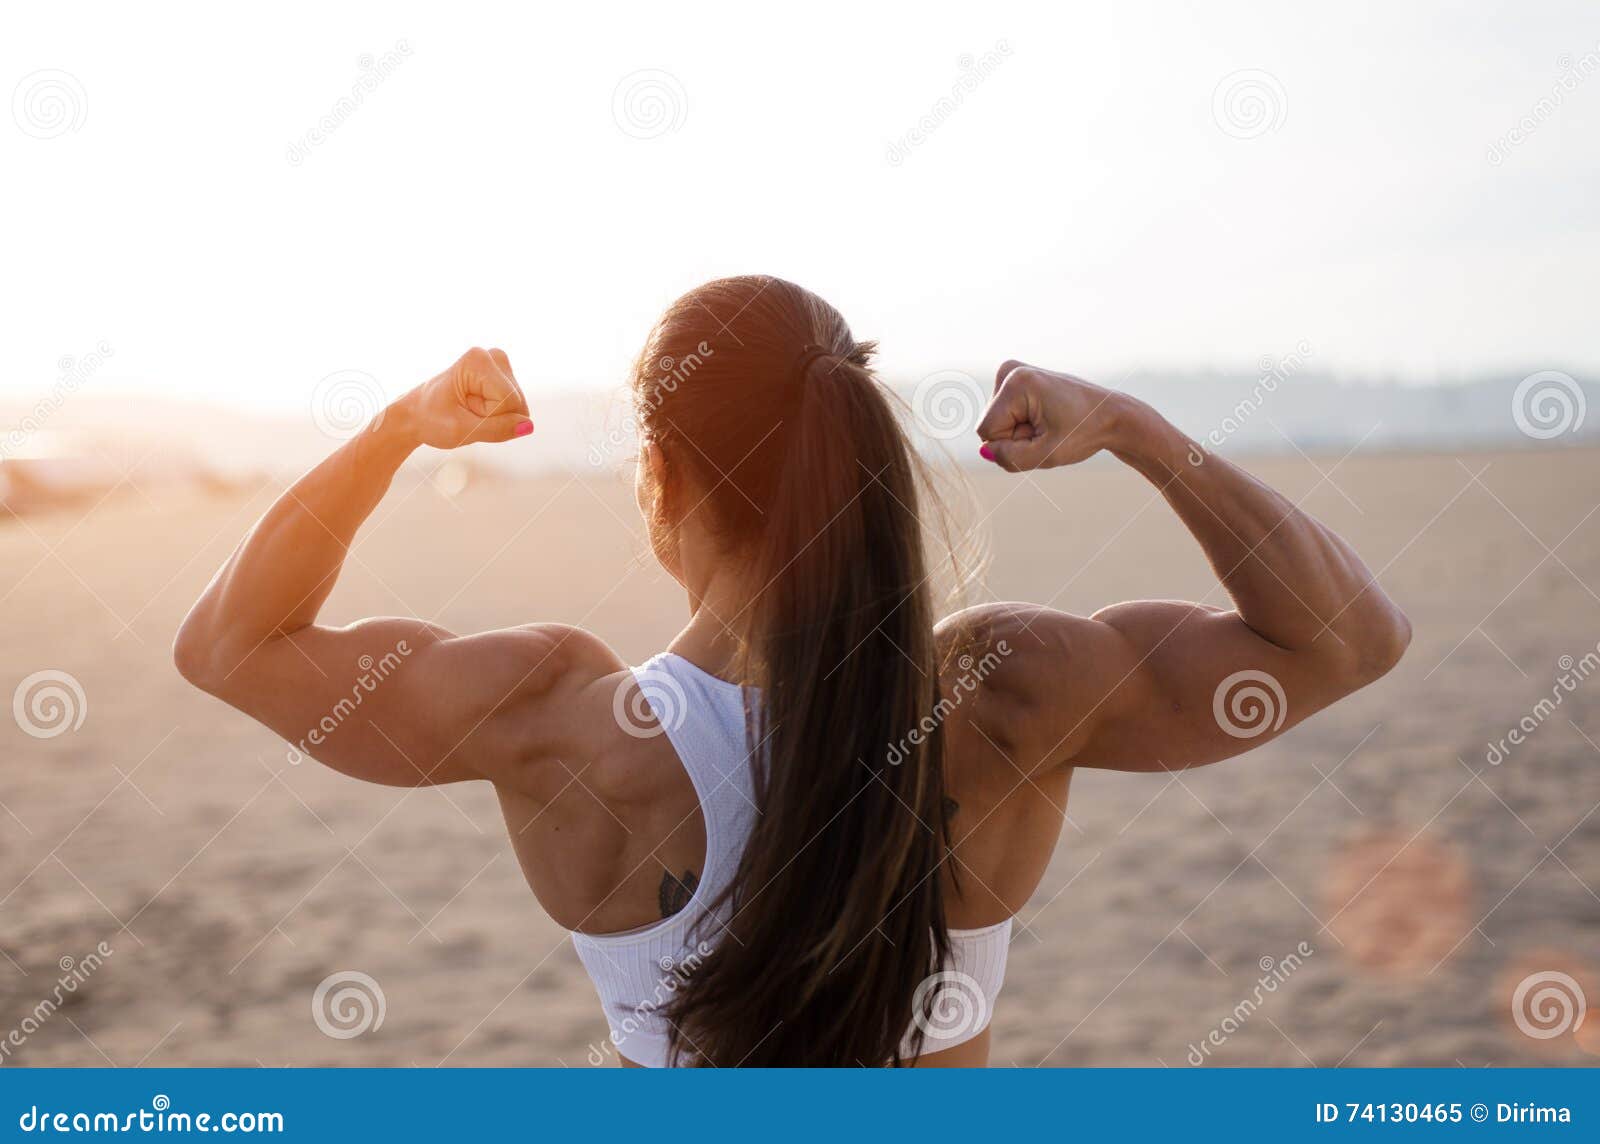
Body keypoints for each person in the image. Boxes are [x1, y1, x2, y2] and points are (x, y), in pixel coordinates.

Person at [174, 275, 1410, 1066]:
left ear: (659, 482)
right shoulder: (1007, 692)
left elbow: (230, 646)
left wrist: (396, 430)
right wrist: (1133, 429)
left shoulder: (555, 722)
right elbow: (1347, 640)